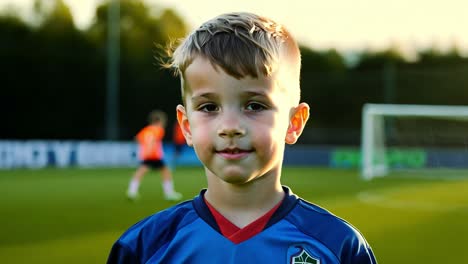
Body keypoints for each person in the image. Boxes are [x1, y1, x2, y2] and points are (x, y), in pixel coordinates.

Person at [109, 12, 377, 263]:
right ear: (187, 126)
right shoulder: (144, 248)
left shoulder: (339, 247)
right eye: (209, 107)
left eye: (255, 106)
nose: (230, 127)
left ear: (293, 122)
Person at [126, 110, 182, 201]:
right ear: (159, 121)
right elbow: (154, 140)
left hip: (146, 155)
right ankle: (169, 193)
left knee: (140, 172)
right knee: (166, 171)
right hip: (154, 155)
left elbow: (137, 138)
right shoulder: (159, 129)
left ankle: (131, 191)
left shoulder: (146, 129)